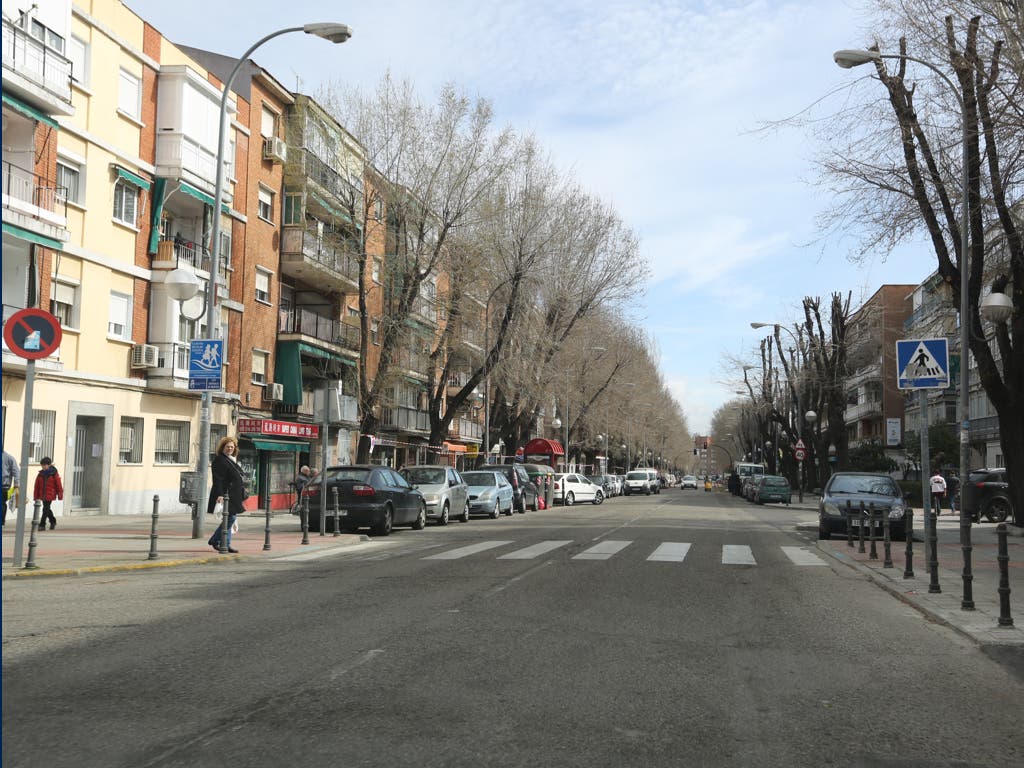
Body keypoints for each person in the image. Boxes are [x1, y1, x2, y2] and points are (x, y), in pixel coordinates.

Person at [207, 436, 246, 553]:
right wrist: (220, 494)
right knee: (231, 518)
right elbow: (218, 479)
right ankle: (215, 540)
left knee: (230, 518)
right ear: (223, 447)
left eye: (232, 447)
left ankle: (226, 544)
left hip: (233, 495)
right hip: (226, 495)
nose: (230, 448)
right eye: (228, 446)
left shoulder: (230, 459)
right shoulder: (220, 460)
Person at [33, 457, 63, 531]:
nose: (43, 467)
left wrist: (60, 494)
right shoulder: (40, 474)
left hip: (50, 494)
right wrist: (36, 496)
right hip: (42, 494)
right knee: (47, 509)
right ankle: (53, 521)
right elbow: (36, 486)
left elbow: (58, 484)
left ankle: (42, 524)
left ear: (49, 465)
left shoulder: (54, 473)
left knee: (45, 508)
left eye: (44, 465)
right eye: (42, 465)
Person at [2, 449, 19, 526]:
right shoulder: (10, 458)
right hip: (5, 484)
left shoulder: (9, 458)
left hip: (4, 485)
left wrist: (16, 485)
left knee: (2, 503)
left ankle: (2, 521)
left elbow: (16, 472)